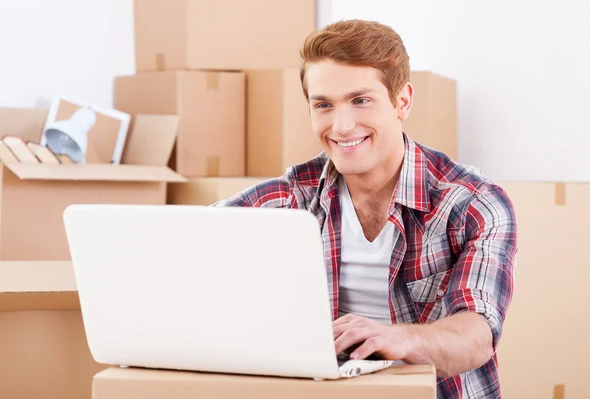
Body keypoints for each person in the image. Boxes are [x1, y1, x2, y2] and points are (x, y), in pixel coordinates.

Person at [215, 19, 517, 399]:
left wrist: (396, 338)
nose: (341, 126)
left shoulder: (472, 204)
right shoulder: (293, 198)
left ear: (402, 101)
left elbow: (477, 336)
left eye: (361, 100)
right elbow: (184, 238)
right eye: (324, 105)